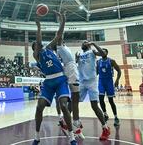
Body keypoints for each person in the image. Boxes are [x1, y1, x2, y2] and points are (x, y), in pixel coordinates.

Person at [31, 11, 76, 145]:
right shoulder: (37, 56)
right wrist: (38, 26)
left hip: (60, 79)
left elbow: (59, 35)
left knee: (63, 105)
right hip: (49, 82)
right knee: (39, 107)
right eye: (34, 47)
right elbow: (38, 40)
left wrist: (63, 21)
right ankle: (37, 136)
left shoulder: (49, 48)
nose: (36, 46)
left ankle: (72, 136)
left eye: (37, 45)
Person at [52, 12, 83, 138]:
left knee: (75, 98)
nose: (60, 37)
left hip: (71, 68)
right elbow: (60, 32)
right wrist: (63, 20)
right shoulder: (59, 46)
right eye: (58, 37)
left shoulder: (64, 47)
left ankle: (67, 121)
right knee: (75, 97)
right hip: (71, 70)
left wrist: (76, 60)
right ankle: (74, 121)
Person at [76, 41, 110, 140]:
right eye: (83, 42)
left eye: (86, 42)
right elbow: (77, 66)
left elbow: (103, 54)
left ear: (89, 45)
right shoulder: (79, 54)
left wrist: (94, 44)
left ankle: (105, 128)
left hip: (92, 81)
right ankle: (76, 123)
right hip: (82, 82)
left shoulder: (92, 52)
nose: (84, 43)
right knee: (73, 102)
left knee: (94, 106)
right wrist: (76, 59)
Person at [97, 48, 121, 127]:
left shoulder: (111, 61)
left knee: (111, 101)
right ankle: (105, 114)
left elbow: (119, 70)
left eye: (104, 51)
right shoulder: (98, 62)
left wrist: (117, 80)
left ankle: (116, 117)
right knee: (100, 98)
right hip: (101, 81)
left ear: (107, 53)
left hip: (109, 82)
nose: (102, 52)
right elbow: (96, 72)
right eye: (102, 51)